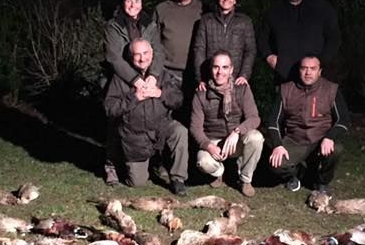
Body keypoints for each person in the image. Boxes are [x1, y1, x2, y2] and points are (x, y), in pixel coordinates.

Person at [104, 38, 189, 196]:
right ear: (130, 57)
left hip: (160, 128)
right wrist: (134, 97)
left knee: (180, 131)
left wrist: (160, 93)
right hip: (135, 135)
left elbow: (178, 100)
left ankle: (178, 178)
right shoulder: (120, 78)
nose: (142, 58)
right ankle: (118, 163)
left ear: (152, 54)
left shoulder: (162, 74)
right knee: (137, 183)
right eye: (137, 55)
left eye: (146, 53)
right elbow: (110, 109)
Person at [102, 0, 165, 186]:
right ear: (123, 2)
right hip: (119, 78)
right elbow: (114, 58)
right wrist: (135, 80)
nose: (133, 4)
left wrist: (153, 76)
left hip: (146, 77)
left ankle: (151, 161)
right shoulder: (113, 26)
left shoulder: (150, 24)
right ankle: (111, 166)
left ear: (142, 3)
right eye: (129, 0)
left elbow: (158, 51)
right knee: (116, 122)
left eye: (137, 1)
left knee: (145, 119)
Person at [266, 54, 349, 193]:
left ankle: (322, 182)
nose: (308, 72)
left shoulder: (331, 89)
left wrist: (330, 137)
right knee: (275, 163)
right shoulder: (286, 89)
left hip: (320, 139)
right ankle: (296, 175)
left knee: (337, 150)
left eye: (313, 68)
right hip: (295, 139)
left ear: (319, 71)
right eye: (304, 68)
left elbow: (343, 119)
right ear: (299, 70)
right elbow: (273, 121)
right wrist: (278, 145)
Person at [190, 51, 263, 197]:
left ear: (231, 70)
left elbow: (255, 118)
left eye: (224, 67)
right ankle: (219, 173)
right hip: (214, 141)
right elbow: (195, 128)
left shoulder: (242, 89)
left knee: (256, 138)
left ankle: (245, 180)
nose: (220, 72)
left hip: (235, 139)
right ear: (211, 69)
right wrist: (209, 146)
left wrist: (237, 132)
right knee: (203, 162)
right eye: (216, 67)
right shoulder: (201, 93)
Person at [258, 0, 341, 84]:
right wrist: (268, 56)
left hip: (317, 79)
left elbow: (334, 38)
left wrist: (320, 63)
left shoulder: (323, 9)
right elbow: (262, 38)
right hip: (285, 78)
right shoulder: (274, 12)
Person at [191, 0, 256, 92]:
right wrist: (200, 78)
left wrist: (244, 75)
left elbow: (250, 50)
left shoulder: (244, 22)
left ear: (235, 0)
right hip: (210, 80)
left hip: (235, 81)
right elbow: (199, 49)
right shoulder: (206, 21)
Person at [155, 0, 204, 89]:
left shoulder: (202, 9)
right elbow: (154, 40)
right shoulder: (162, 9)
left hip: (193, 71)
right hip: (167, 71)